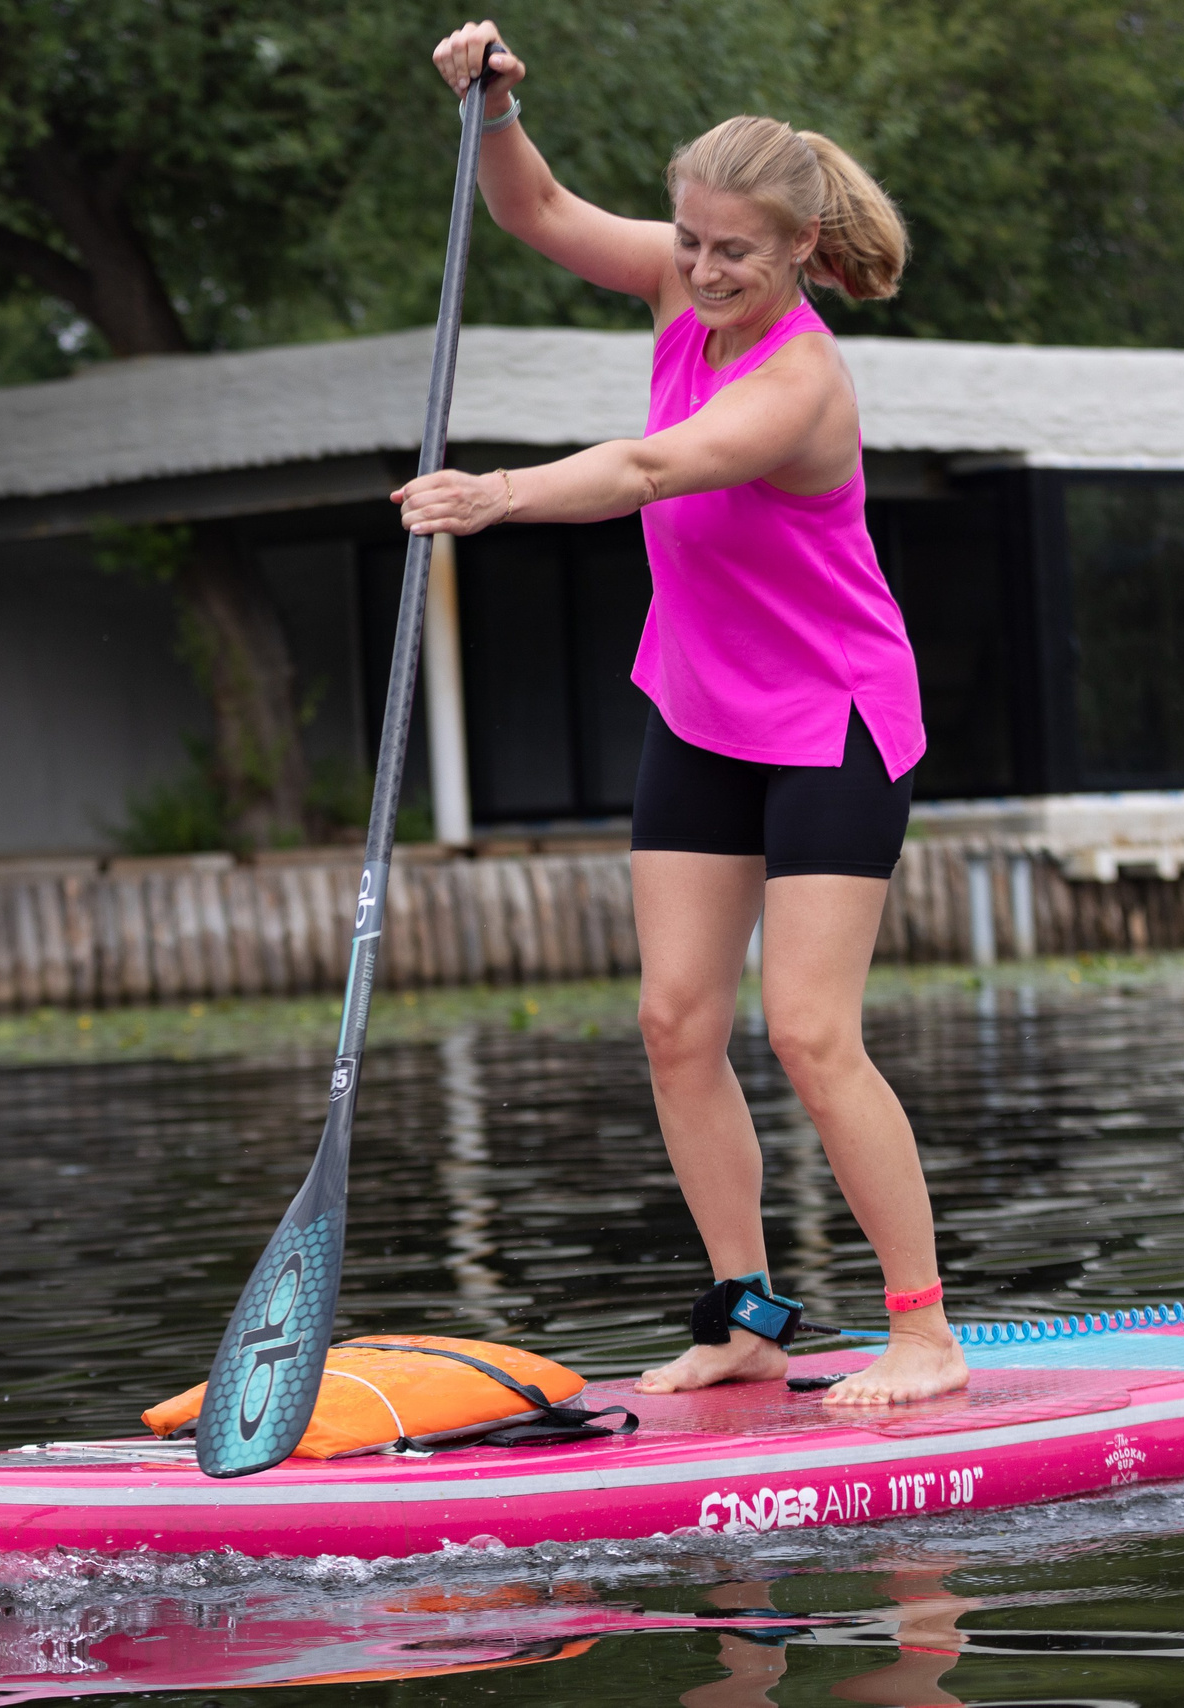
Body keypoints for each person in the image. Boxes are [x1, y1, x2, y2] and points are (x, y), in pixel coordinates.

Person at [394, 23, 967, 1405]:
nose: (704, 273)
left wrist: (499, 496)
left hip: (831, 714)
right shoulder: (677, 278)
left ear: (802, 250)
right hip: (702, 705)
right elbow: (528, 209)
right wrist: (498, 109)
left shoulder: (798, 382)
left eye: (738, 255)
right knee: (673, 1020)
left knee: (812, 1032)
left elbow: (655, 463)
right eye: (692, 244)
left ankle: (924, 1336)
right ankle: (748, 1318)